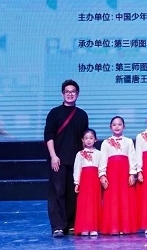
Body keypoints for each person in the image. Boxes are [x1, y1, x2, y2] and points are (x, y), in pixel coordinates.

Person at [44, 79, 89, 238]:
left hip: (76, 160)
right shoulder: (54, 113)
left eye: (73, 92)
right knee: (57, 192)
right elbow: (48, 136)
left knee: (73, 193)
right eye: (67, 92)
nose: (70, 94)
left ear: (78, 94)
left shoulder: (82, 115)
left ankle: (71, 225)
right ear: (63, 94)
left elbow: (85, 139)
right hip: (58, 160)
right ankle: (58, 226)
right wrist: (53, 156)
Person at [98, 116, 138, 235]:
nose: (117, 127)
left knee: (126, 199)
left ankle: (126, 227)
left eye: (119, 124)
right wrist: (102, 175)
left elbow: (132, 158)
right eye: (114, 124)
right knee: (112, 199)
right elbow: (103, 159)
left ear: (124, 126)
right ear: (110, 127)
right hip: (112, 174)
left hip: (125, 173)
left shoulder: (128, 141)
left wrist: (132, 173)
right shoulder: (106, 142)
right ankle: (113, 227)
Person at [73, 128, 101, 236]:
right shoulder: (79, 154)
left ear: (95, 139)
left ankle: (94, 227)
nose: (88, 140)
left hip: (95, 180)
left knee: (94, 202)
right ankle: (84, 227)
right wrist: (77, 182)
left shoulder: (99, 153)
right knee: (84, 203)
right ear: (82, 140)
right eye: (86, 138)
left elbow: (101, 167)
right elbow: (77, 168)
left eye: (91, 138)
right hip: (84, 181)